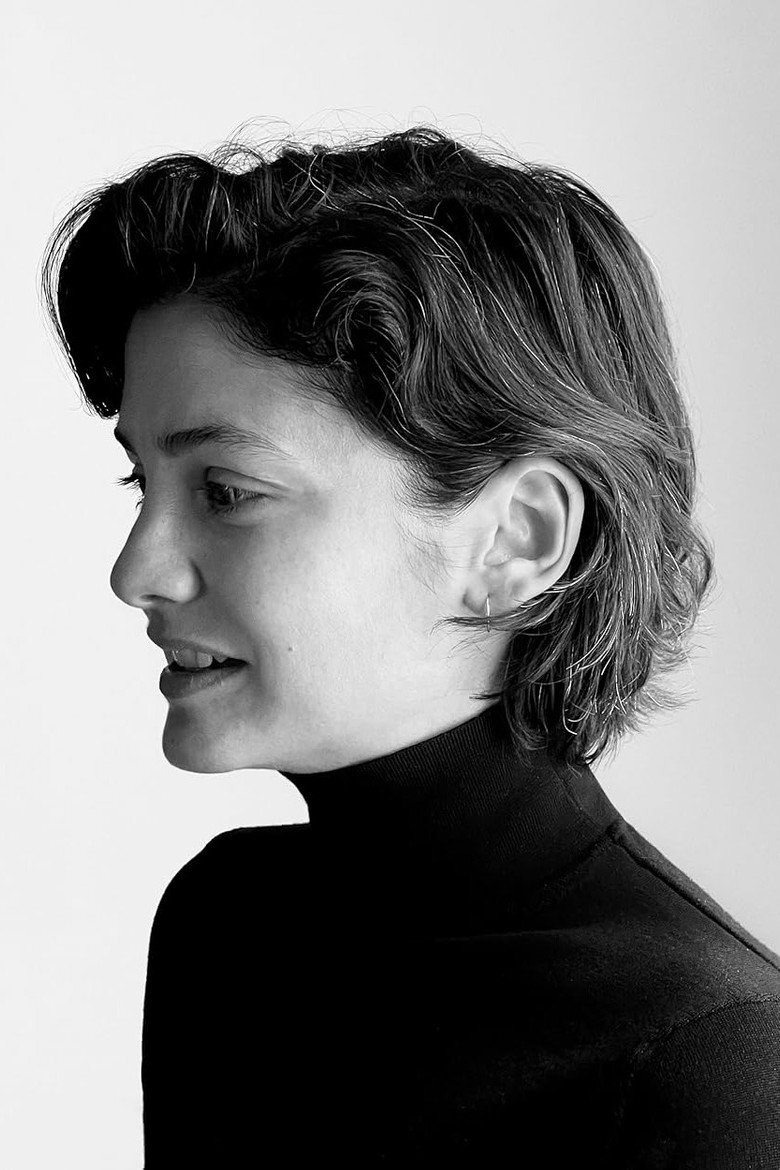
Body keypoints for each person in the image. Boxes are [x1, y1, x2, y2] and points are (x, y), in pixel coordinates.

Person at [40, 125, 780, 1166]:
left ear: (516, 540)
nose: (137, 571)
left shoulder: (709, 1065)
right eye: (142, 483)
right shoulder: (227, 926)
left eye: (226, 491)